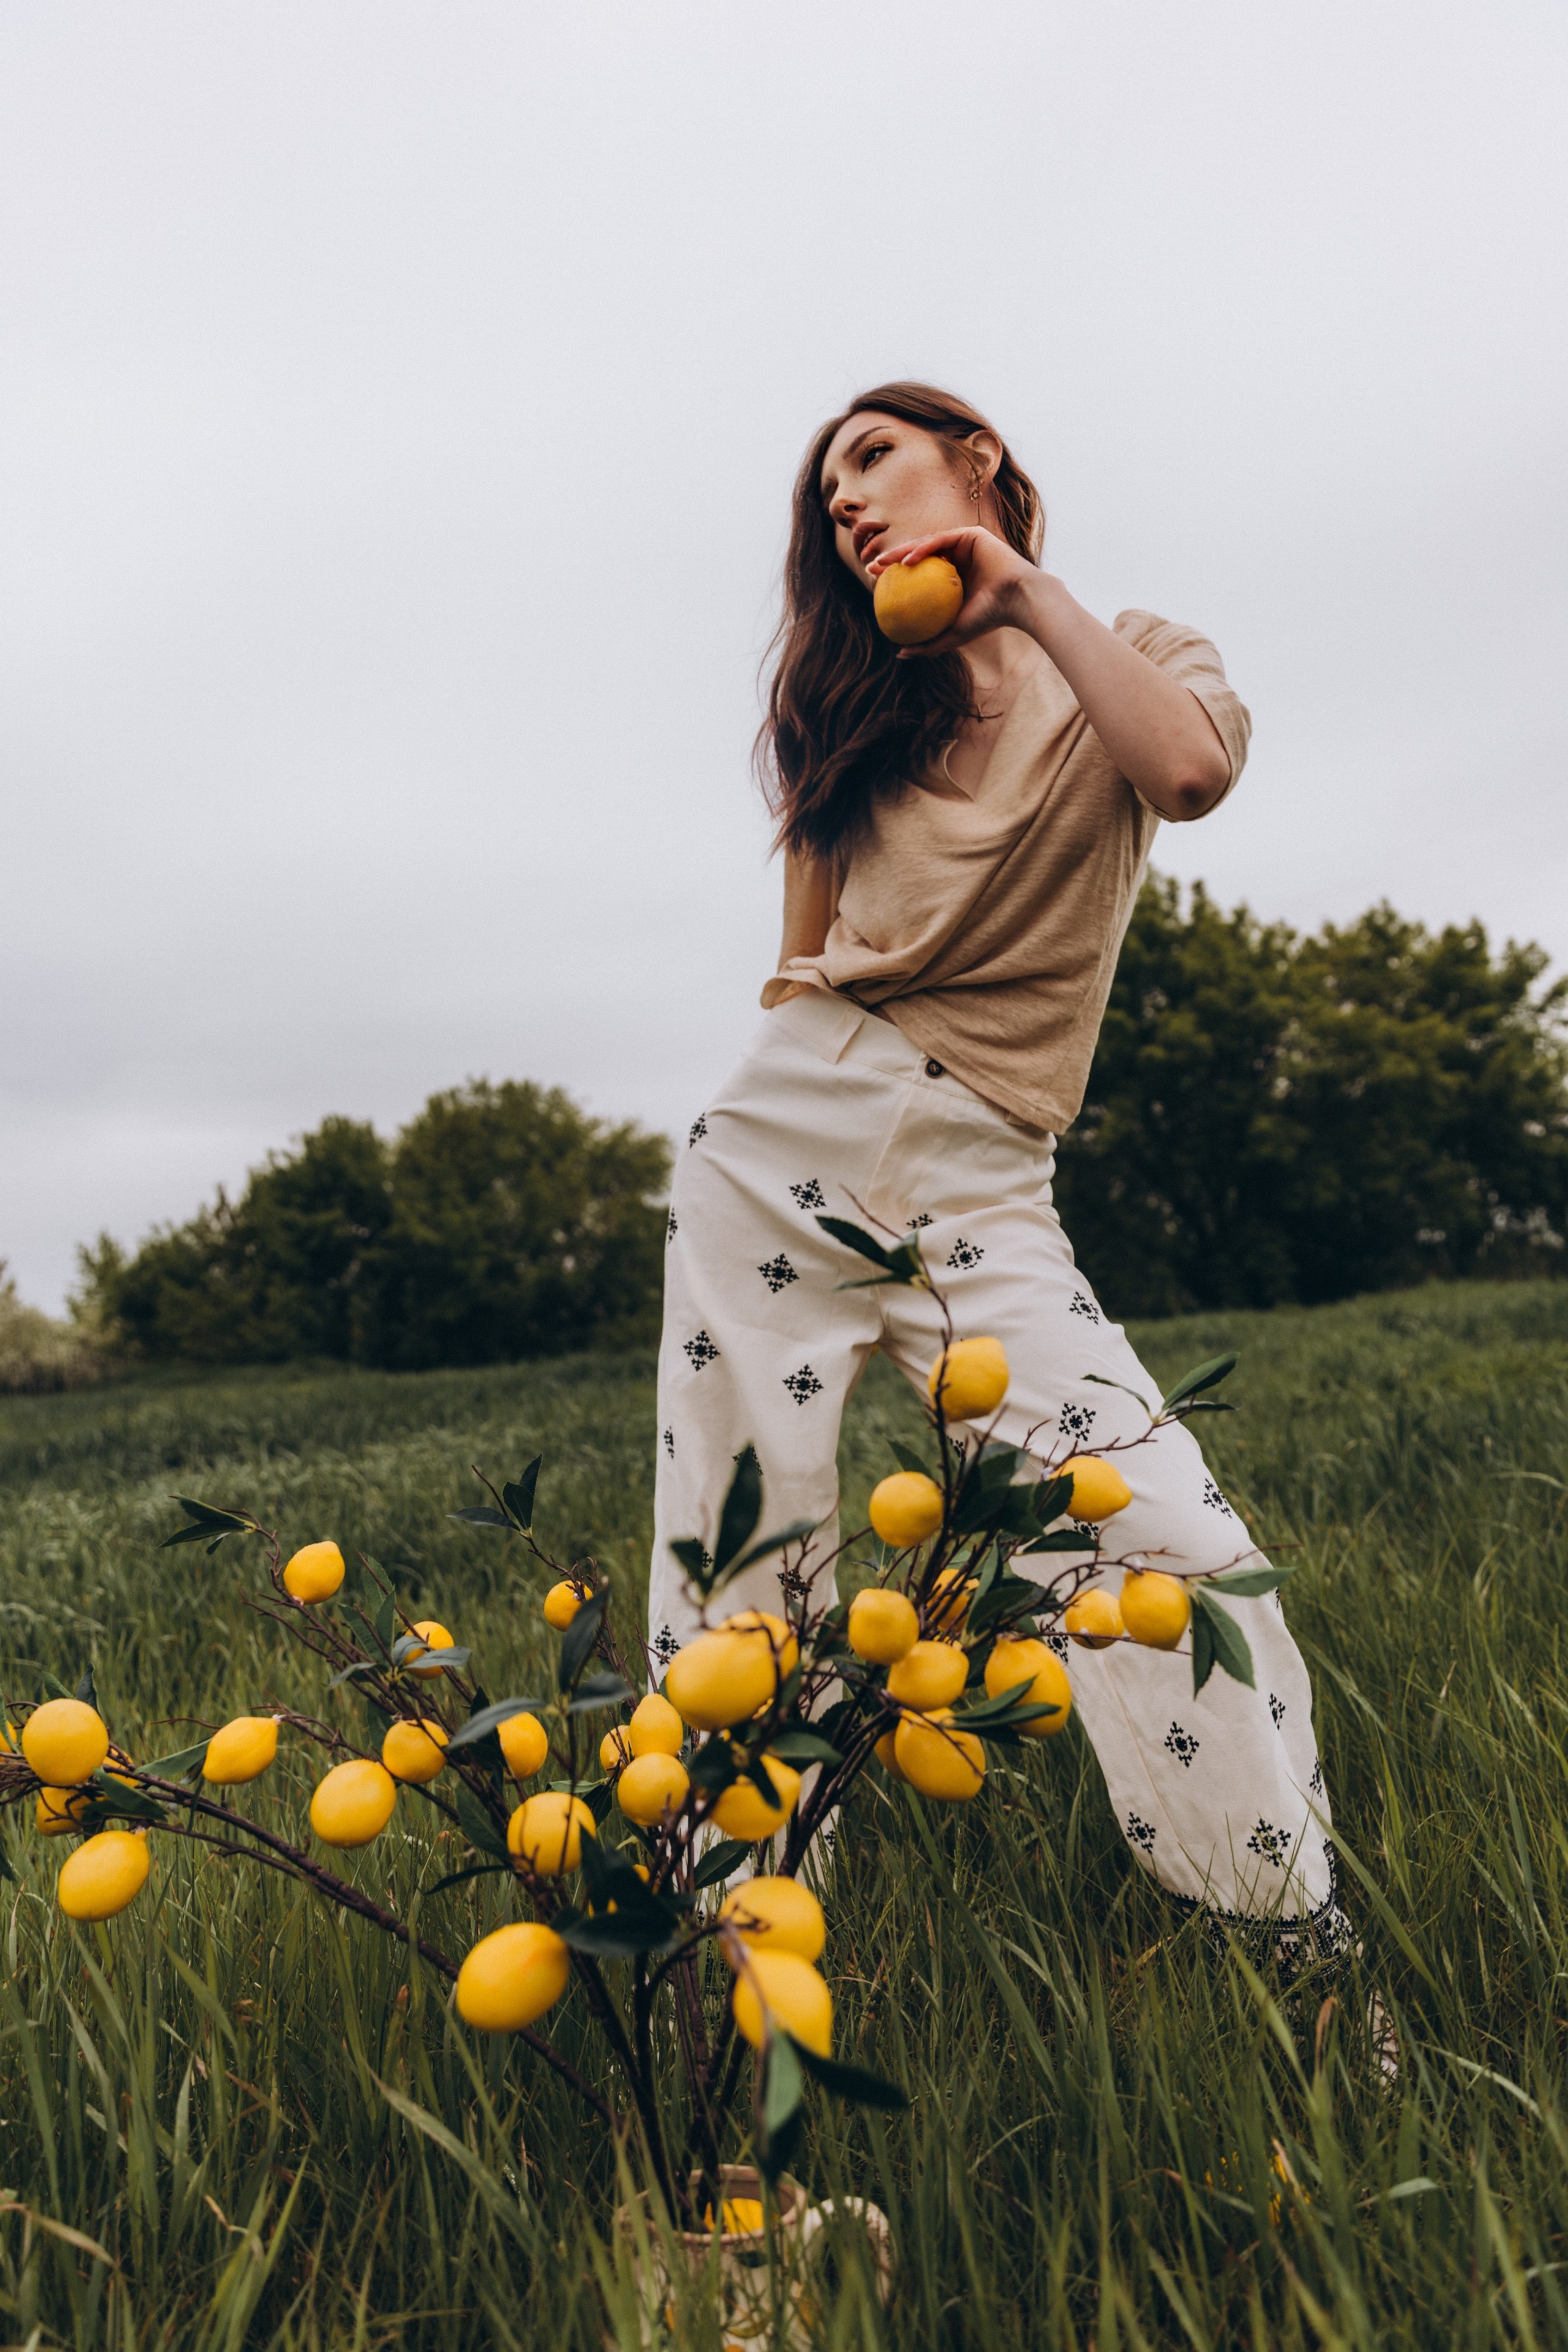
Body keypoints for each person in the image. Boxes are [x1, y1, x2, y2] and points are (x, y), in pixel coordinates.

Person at [649, 380, 1348, 1970]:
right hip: (789, 1150)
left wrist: (1021, 587)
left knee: (1177, 1551)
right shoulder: (851, 720)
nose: (846, 505)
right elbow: (798, 972)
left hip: (987, 1181)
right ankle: (735, 2070)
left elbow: (1185, 777)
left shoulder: (1144, 653)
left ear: (982, 463)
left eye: (873, 461)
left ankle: (1292, 1957)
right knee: (740, 1596)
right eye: (828, 494)